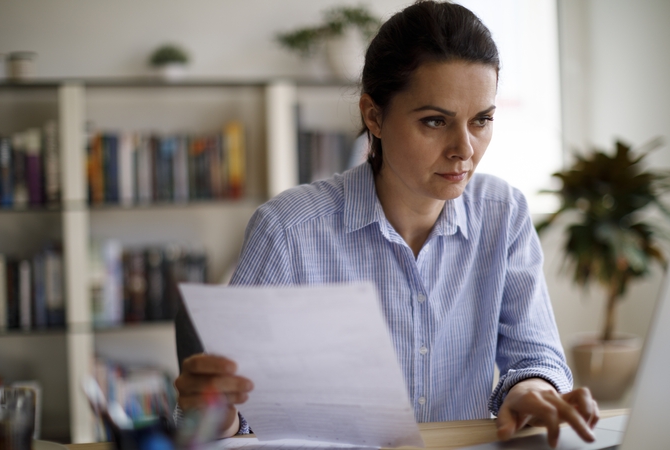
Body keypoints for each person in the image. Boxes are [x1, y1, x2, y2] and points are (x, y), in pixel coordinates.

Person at [174, 1, 599, 447]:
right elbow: (226, 419)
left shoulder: (504, 213)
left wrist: (531, 392)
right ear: (374, 116)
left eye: (482, 121)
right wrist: (212, 413)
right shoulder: (289, 230)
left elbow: (534, 356)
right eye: (435, 121)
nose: (465, 149)